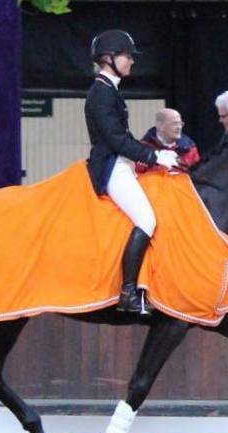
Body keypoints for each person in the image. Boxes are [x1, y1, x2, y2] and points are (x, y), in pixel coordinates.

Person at [85, 29, 178, 314]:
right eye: (127, 56)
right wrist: (154, 155)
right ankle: (127, 293)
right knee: (147, 219)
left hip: (122, 165)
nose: (131, 62)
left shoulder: (110, 89)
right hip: (111, 167)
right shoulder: (100, 93)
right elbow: (115, 140)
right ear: (108, 58)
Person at [136, 108, 200, 174]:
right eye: (174, 124)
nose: (179, 127)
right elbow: (138, 175)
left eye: (180, 124)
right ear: (160, 126)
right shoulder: (143, 149)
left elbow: (197, 176)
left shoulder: (189, 148)